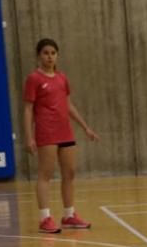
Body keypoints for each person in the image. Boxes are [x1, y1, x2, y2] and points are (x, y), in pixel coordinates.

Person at [23, 38, 99, 234]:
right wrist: (29, 136)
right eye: (46, 53)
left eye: (53, 53)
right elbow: (28, 109)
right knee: (45, 174)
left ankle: (69, 215)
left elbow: (68, 105)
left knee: (70, 173)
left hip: (65, 130)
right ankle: (45, 218)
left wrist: (85, 127)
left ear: (57, 55)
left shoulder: (62, 78)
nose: (50, 56)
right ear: (39, 56)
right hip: (46, 132)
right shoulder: (34, 79)